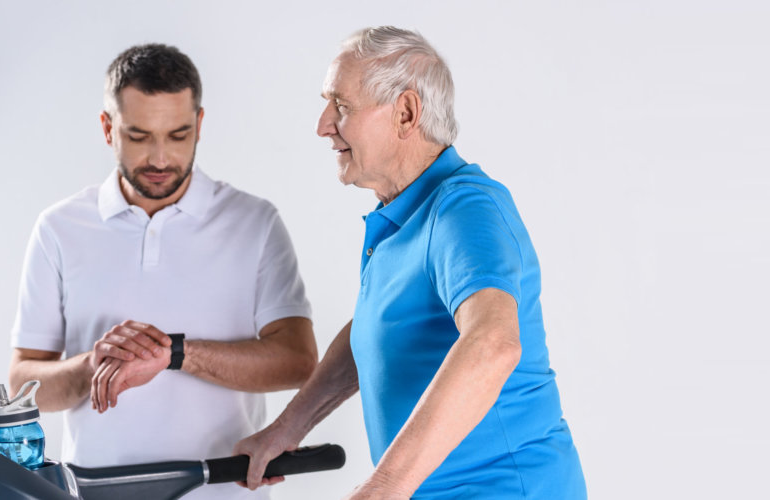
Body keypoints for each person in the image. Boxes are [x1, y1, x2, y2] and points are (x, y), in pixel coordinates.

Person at [233, 26, 586, 499]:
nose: (322, 124)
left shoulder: (464, 208)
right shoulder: (402, 216)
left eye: (341, 105)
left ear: (405, 112)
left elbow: (494, 343)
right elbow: (379, 330)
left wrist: (382, 488)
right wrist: (287, 429)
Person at [5, 43, 318, 499]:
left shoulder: (255, 223)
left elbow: (298, 361)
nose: (159, 158)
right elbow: (22, 386)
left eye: (178, 135)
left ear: (200, 125)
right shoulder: (59, 228)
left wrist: (173, 353)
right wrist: (95, 364)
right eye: (138, 136)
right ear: (107, 128)